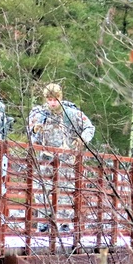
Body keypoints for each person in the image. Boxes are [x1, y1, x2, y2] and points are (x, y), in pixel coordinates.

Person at [27, 83, 94, 233]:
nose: (52, 102)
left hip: (66, 158)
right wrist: (35, 129)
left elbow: (90, 127)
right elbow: (30, 131)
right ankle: (43, 223)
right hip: (45, 157)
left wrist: (82, 139)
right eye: (49, 99)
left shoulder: (71, 113)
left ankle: (64, 224)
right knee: (41, 190)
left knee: (65, 191)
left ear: (60, 97)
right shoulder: (39, 113)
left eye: (55, 99)